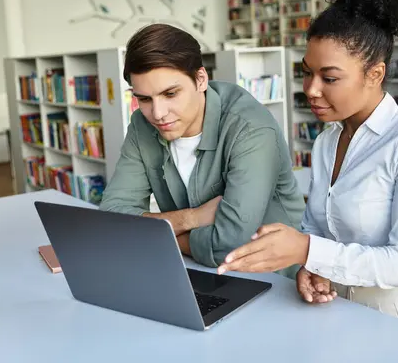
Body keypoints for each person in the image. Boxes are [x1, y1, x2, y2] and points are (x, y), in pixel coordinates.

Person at [216, 0, 398, 333]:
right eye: (307, 73)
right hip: (331, 315)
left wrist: (306, 251)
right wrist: (310, 267)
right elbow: (317, 226)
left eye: (329, 78)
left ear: (375, 74)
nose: (311, 89)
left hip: (394, 327)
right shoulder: (327, 140)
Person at [99, 23, 305, 278]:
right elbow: (112, 220)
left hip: (274, 282)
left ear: (201, 80)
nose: (158, 113)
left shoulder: (251, 129)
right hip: (194, 273)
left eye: (170, 94)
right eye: (144, 99)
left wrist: (158, 233)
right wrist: (191, 218)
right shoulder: (142, 126)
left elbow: (228, 246)